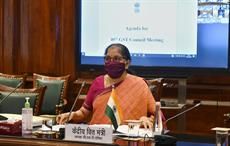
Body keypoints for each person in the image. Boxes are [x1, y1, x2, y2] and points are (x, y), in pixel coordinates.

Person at [56, 43, 156, 129]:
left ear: (127, 63)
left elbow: (155, 114)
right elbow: (83, 112)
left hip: (130, 139)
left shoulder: (139, 84)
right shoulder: (98, 82)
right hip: (99, 138)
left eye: (117, 59)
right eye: (108, 59)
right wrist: (71, 115)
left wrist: (147, 119)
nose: (111, 62)